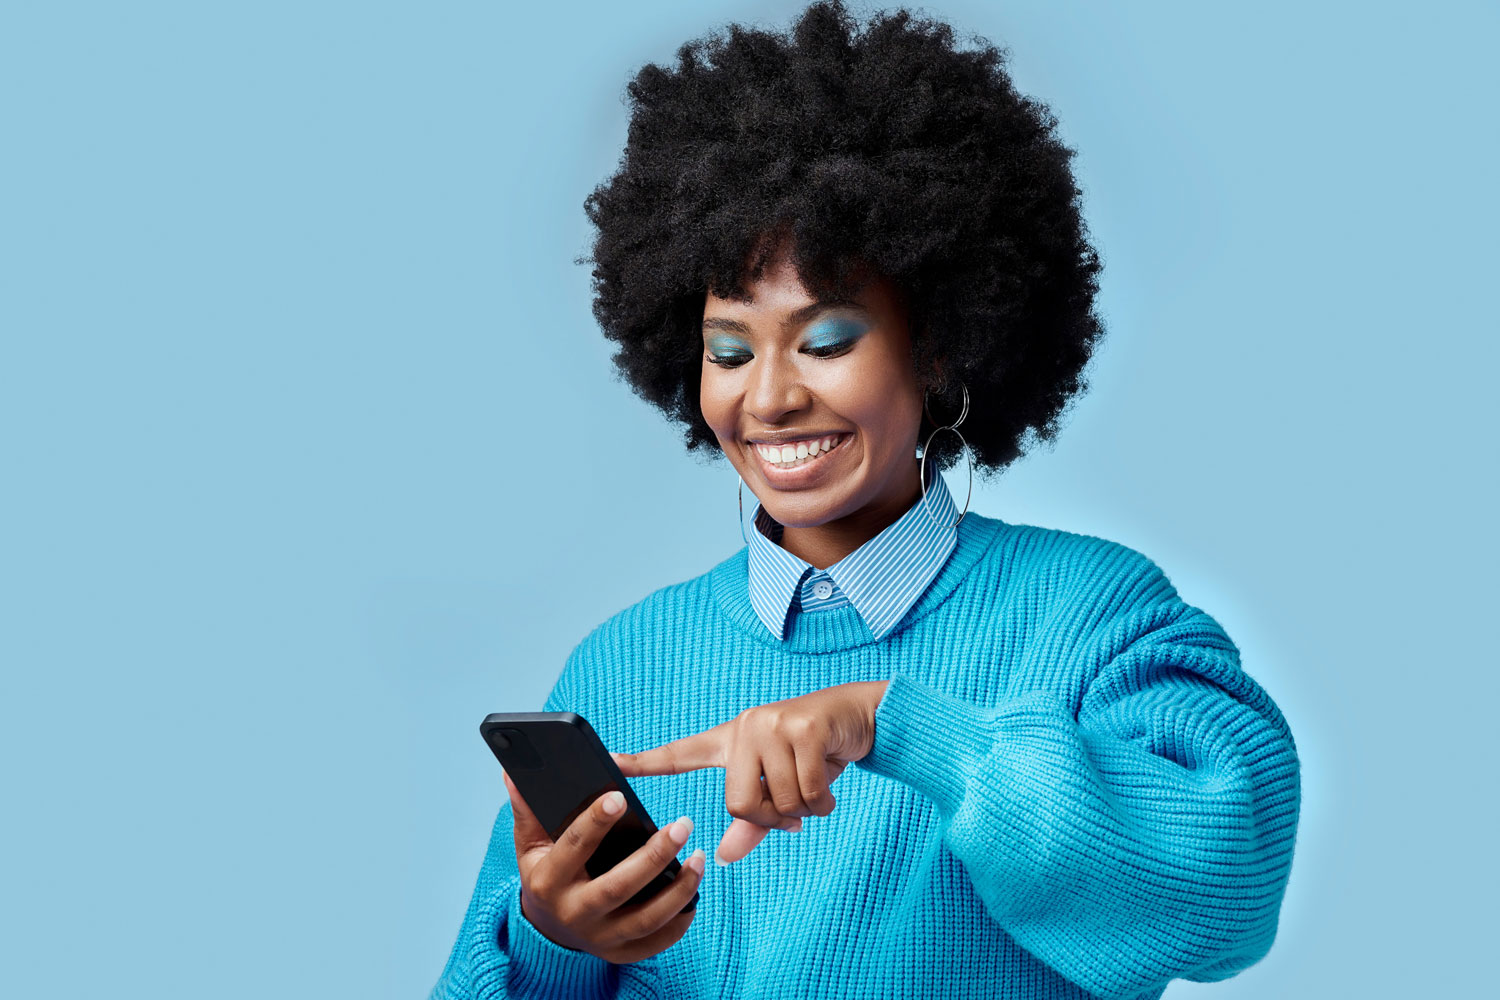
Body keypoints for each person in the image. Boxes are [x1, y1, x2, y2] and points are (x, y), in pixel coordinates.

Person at [430, 3, 1301, 997]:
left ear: (938, 348)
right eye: (728, 351)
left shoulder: (1093, 616)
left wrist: (896, 727)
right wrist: (554, 935)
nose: (768, 397)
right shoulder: (621, 664)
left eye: (827, 341)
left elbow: (1229, 894)